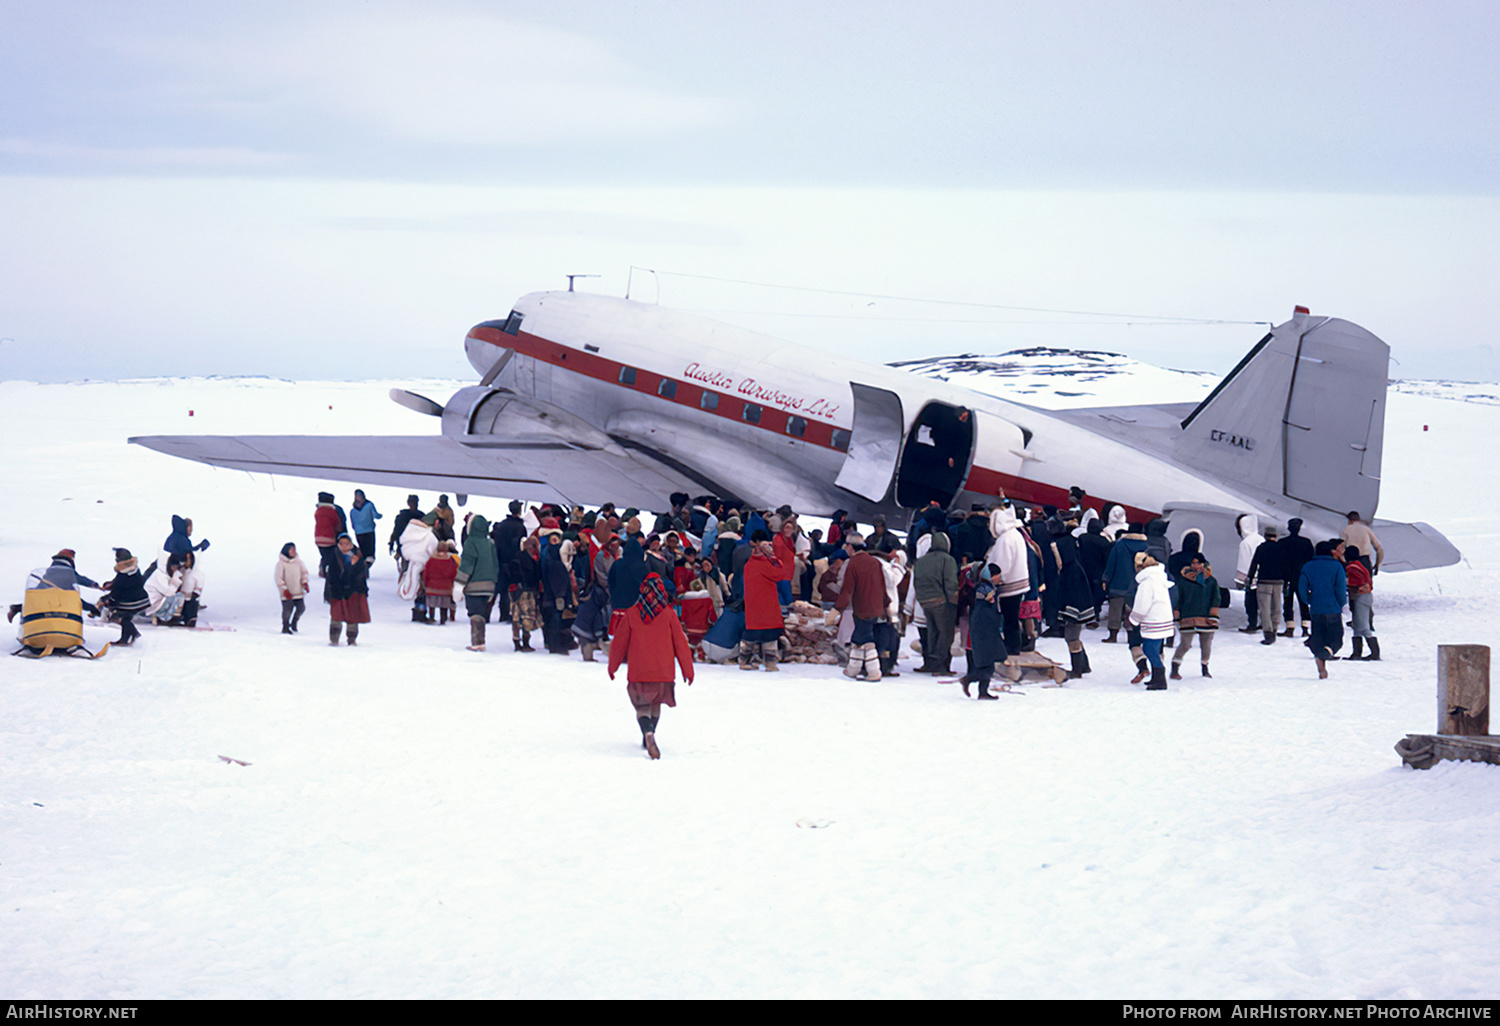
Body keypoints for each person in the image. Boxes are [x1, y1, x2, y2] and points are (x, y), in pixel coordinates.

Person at [607, 573, 695, 759]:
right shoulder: (669, 615)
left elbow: (619, 643)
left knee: (642, 708)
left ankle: (647, 733)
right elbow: (681, 644)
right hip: (663, 673)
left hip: (639, 671)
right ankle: (650, 733)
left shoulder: (631, 614)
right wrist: (688, 670)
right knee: (655, 706)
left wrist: (613, 666)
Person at [1298, 539, 1349, 679]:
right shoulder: (1337, 566)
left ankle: (1322, 670)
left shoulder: (1308, 566)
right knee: (1336, 640)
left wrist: (1308, 600)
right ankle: (1328, 653)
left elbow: (1301, 587)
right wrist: (1341, 603)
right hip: (1333, 608)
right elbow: (1340, 588)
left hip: (1316, 609)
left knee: (1319, 639)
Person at [911, 530, 959, 674]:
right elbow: (950, 583)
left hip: (925, 602)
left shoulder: (921, 561)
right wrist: (954, 599)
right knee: (945, 634)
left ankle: (931, 662)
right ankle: (940, 665)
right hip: (941, 602)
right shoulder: (947, 559)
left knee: (932, 632)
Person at [739, 530, 786, 671]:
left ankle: (744, 660)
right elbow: (780, 574)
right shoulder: (765, 564)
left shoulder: (749, 565)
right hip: (767, 607)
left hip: (753, 608)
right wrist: (774, 558)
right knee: (769, 636)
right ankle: (770, 662)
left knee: (751, 635)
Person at [1128, 552, 1175, 691]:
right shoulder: (1160, 576)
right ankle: (1156, 677)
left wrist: (1134, 619)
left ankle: (1160, 678)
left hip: (1153, 620)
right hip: (1164, 617)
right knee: (1157, 648)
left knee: (1149, 649)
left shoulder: (1147, 582)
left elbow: (1143, 604)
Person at [1170, 554, 1219, 679]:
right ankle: (1175, 667)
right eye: (1193, 563)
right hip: (1188, 615)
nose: (1195, 566)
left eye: (1198, 563)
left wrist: (1213, 614)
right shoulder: (1183, 580)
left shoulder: (1211, 581)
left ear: (1203, 564)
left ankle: (1205, 667)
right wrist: (1177, 612)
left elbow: (1216, 598)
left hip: (1206, 617)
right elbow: (1178, 598)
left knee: (1206, 644)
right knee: (1185, 644)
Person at [455, 514, 497, 651]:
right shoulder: (490, 543)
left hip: (474, 585)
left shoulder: (471, 542)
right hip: (489, 585)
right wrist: (494, 584)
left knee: (475, 613)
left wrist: (459, 584)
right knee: (482, 612)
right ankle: (480, 641)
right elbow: (495, 565)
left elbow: (467, 564)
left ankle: (478, 642)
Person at [99, 548, 150, 646]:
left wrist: (106, 599)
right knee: (126, 617)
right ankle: (132, 634)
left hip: (131, 602)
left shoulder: (122, 576)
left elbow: (117, 592)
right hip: (142, 599)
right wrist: (112, 584)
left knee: (122, 617)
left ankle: (126, 638)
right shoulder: (134, 570)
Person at [326, 535, 370, 646]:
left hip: (354, 591)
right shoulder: (333, 556)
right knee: (336, 616)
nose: (344, 546)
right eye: (342, 544)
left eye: (347, 544)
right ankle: (334, 639)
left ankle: (351, 639)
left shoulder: (357, 557)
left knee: (353, 616)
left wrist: (355, 565)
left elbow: (361, 575)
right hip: (337, 591)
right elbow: (331, 575)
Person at [1345, 544, 1379, 661]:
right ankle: (1357, 653)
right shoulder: (1360, 565)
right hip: (1365, 597)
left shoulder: (1352, 568)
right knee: (1357, 626)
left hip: (1360, 597)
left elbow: (1355, 583)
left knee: (1363, 626)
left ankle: (1374, 652)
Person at [274, 543, 309, 635]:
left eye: (294, 549)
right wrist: (284, 589)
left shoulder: (299, 562)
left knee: (301, 608)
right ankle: (285, 626)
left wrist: (305, 583)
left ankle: (294, 622)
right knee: (287, 610)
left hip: (298, 591)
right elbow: (278, 578)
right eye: (291, 549)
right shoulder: (281, 564)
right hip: (287, 593)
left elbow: (304, 573)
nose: (293, 551)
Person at [422, 540, 460, 625]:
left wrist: (426, 583)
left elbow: (426, 573)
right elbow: (454, 573)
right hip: (445, 588)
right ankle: (443, 618)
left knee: (432, 602)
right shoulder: (450, 561)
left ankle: (431, 617)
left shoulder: (431, 560)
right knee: (444, 603)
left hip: (432, 587)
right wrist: (452, 584)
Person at [349, 490, 382, 567]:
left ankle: (361, 568)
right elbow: (375, 515)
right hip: (369, 531)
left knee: (363, 552)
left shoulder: (352, 511)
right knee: (370, 554)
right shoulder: (369, 505)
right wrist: (380, 516)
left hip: (358, 533)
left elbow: (353, 524)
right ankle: (365, 568)